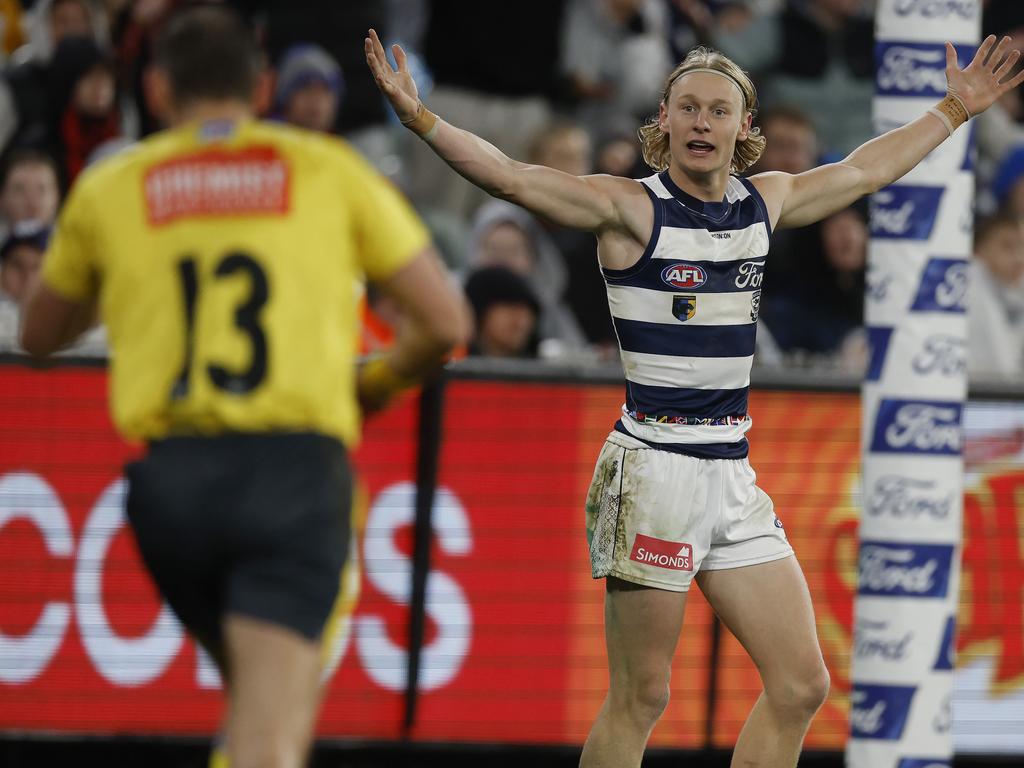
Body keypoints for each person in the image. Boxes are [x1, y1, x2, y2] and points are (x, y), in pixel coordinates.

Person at [366, 27, 1024, 767]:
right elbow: (514, 178)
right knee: (641, 698)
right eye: (689, 108)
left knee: (802, 684)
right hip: (653, 469)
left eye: (719, 110)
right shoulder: (630, 209)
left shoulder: (763, 203)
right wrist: (423, 119)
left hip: (731, 475)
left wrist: (954, 110)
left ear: (746, 129)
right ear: (665, 120)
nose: (702, 123)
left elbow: (866, 170)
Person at [21, 7, 466, 768]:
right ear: (264, 87)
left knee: (262, 716)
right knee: (271, 736)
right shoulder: (325, 170)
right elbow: (442, 319)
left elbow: (37, 338)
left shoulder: (115, 186)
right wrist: (376, 387)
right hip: (289, 479)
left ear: (156, 91)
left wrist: (131, 273)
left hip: (170, 490)